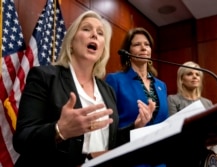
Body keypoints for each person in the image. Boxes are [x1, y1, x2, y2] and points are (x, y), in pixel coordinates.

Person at [12, 10, 153, 167]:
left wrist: (135, 126)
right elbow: (21, 140)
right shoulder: (44, 77)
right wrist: (60, 130)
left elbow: (108, 141)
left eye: (100, 33)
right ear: (71, 42)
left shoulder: (107, 90)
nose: (94, 35)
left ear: (102, 50)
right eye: (86, 29)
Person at [105, 27, 169, 167]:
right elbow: (108, 127)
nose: (143, 48)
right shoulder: (115, 80)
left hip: (160, 161)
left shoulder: (161, 85)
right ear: (127, 52)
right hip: (130, 159)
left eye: (147, 44)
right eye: (137, 44)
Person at [167, 61, 217, 166]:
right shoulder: (172, 100)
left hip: (208, 158)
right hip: (184, 157)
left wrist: (215, 155)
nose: (194, 77)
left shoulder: (207, 102)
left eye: (197, 74)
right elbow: (173, 130)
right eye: (189, 74)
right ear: (181, 79)